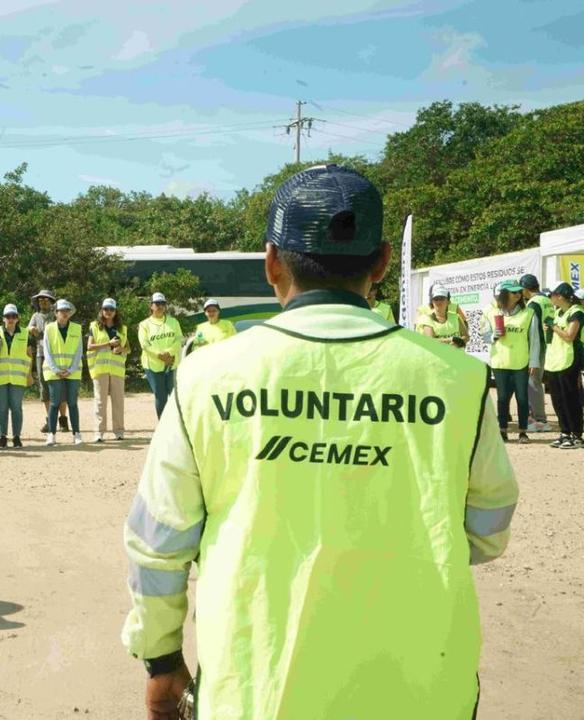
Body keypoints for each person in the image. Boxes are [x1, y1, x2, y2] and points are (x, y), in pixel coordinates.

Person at [122, 164, 518, 720]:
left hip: (256, 690)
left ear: (271, 262)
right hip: (422, 687)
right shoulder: (458, 378)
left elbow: (158, 544)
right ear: (381, 262)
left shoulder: (206, 377)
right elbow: (488, 528)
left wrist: (161, 661)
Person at [481, 280, 542, 443]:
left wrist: (534, 361)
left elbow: (534, 339)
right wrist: (494, 335)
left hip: (520, 362)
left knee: (522, 398)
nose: (517, 295)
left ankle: (523, 431)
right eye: (513, 292)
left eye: (518, 292)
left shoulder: (528, 313)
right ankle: (502, 430)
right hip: (499, 362)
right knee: (502, 398)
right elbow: (484, 336)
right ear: (504, 294)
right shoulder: (489, 312)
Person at [0, 304, 33, 448]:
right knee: (2, 407)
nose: (11, 319)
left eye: (13, 316)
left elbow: (29, 354)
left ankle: (17, 437)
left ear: (18, 318)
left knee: (16, 407)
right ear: (3, 319)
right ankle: (2, 437)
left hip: (18, 377)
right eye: (8, 316)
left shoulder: (25, 333)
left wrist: (29, 374)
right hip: (0, 377)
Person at [545, 282, 584, 449]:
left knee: (571, 398)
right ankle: (564, 432)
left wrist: (553, 326)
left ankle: (577, 434)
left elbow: (569, 336)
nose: (550, 298)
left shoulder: (576, 312)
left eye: (551, 295)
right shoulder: (557, 311)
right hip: (555, 361)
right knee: (558, 399)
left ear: (560, 296)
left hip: (570, 360)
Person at [86, 297, 129, 442]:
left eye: (111, 309)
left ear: (116, 312)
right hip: (100, 369)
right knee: (100, 402)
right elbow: (89, 346)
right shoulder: (94, 326)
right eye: (106, 309)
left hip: (117, 370)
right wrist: (108, 344)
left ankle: (119, 431)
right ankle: (99, 432)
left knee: (118, 402)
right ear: (101, 310)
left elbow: (128, 348)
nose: (108, 312)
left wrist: (121, 348)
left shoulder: (122, 329)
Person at [42, 299, 83, 446]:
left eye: (67, 311)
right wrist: (56, 370)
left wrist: (71, 369)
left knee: (72, 403)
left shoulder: (77, 328)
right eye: (61, 311)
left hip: (73, 371)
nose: (64, 313)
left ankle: (77, 434)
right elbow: (46, 351)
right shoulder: (49, 328)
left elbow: (79, 351)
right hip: (54, 372)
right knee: (54, 403)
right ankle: (51, 435)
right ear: (56, 313)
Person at [29, 289, 69, 433]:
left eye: (46, 299)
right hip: (41, 354)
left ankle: (63, 420)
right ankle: (50, 420)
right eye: (40, 300)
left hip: (56, 354)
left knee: (60, 385)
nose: (43, 302)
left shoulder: (56, 315)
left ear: (52, 302)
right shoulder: (35, 315)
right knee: (44, 386)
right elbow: (29, 327)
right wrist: (32, 329)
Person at [138, 292, 183, 419]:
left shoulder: (173, 322)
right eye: (157, 303)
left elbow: (179, 339)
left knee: (175, 395)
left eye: (162, 303)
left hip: (172, 363)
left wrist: (169, 353)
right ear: (151, 306)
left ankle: (177, 424)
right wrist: (161, 355)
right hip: (153, 365)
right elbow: (145, 345)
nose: (160, 306)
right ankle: (162, 425)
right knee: (161, 397)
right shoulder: (144, 324)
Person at [521, 274, 555, 432]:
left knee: (533, 382)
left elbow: (531, 328)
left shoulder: (533, 303)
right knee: (536, 382)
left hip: (537, 345)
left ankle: (540, 419)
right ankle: (538, 418)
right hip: (548, 344)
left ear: (525, 289)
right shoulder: (547, 300)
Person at [416, 284, 469, 348]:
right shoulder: (426, 318)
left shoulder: (456, 317)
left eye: (442, 298)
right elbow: (429, 342)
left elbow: (466, 336)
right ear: (432, 301)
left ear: (448, 301)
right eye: (436, 299)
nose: (439, 302)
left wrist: (459, 342)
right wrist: (450, 340)